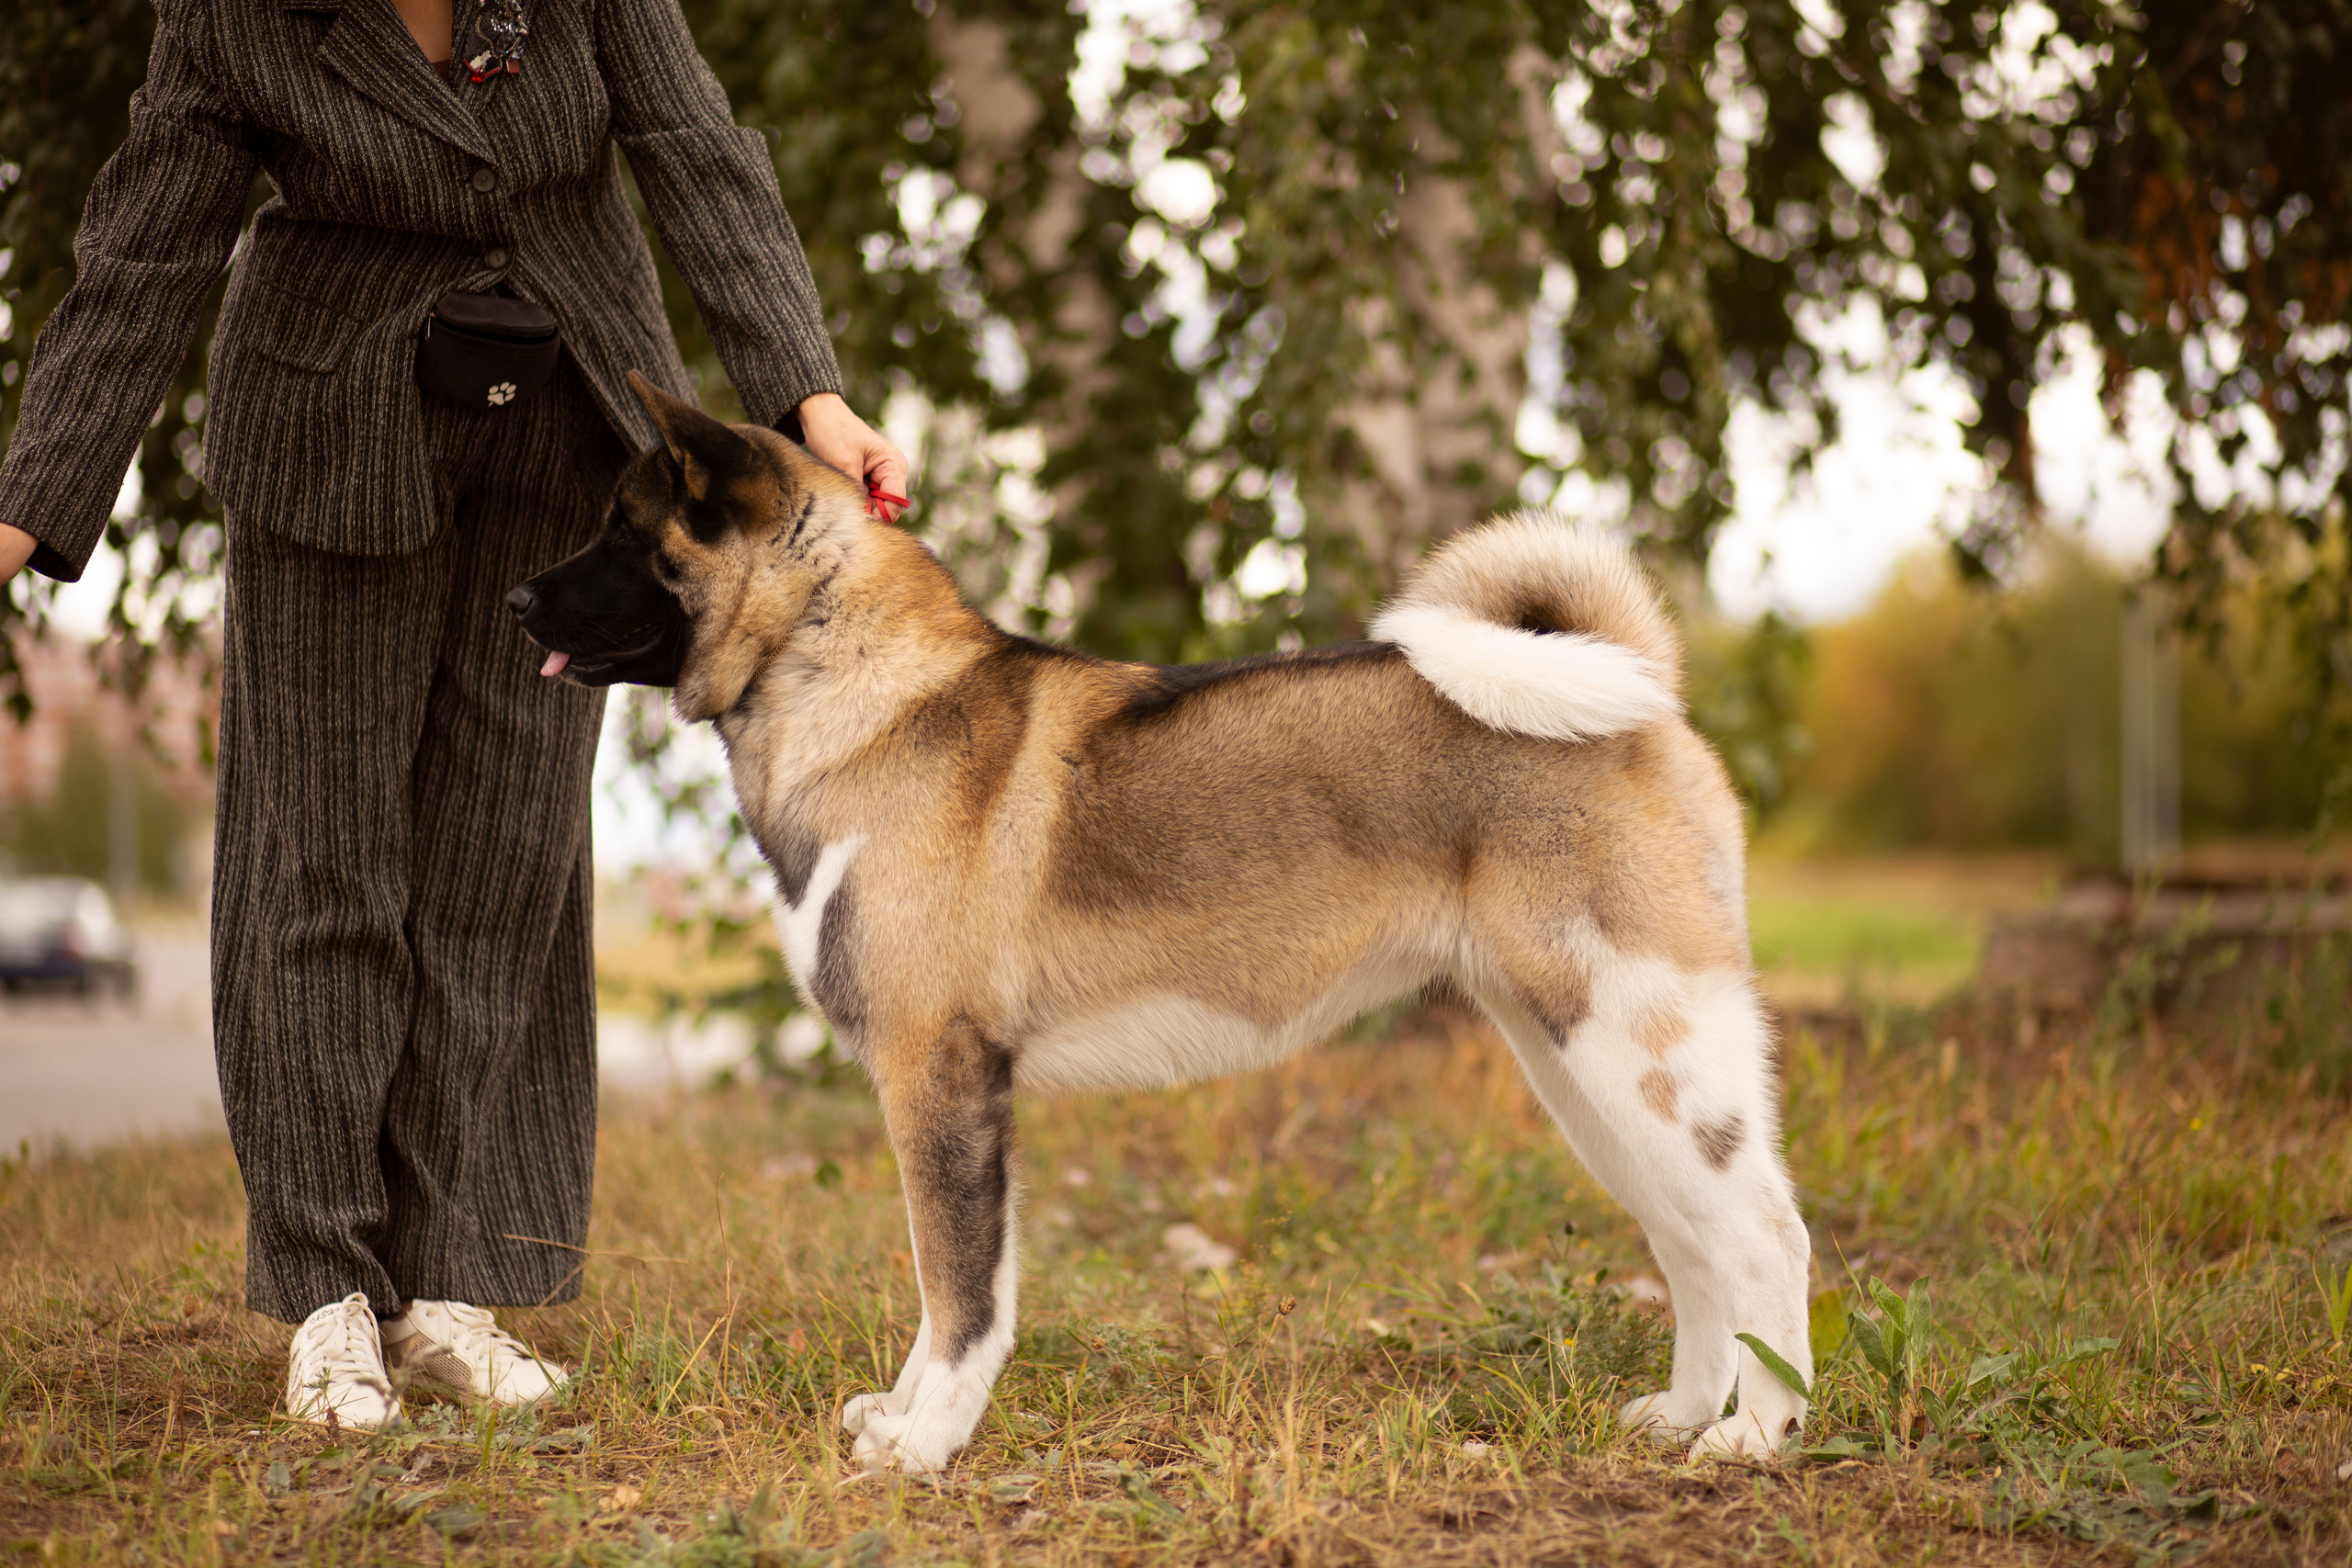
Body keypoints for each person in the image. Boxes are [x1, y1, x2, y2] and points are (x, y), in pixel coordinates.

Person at [0, 0, 905, 1427]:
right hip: (328, 440)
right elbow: (144, 256)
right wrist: (26, 505)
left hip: (565, 449)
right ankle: (323, 1297)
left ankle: (451, 1289)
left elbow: (696, 154)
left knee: (501, 867)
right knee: (323, 864)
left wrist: (813, 399)